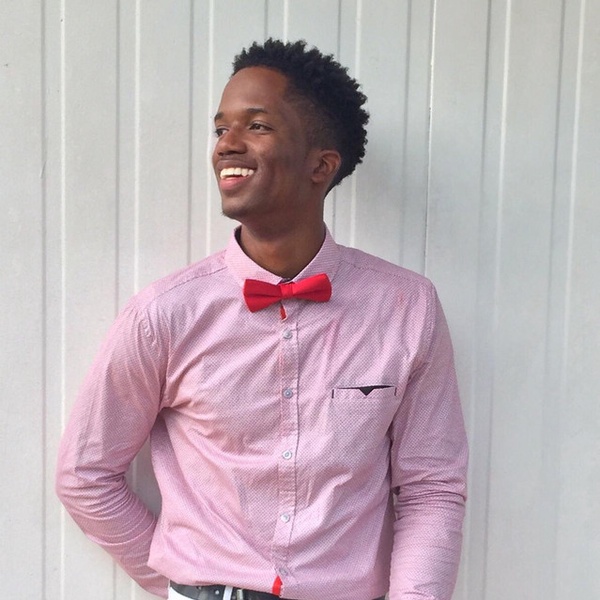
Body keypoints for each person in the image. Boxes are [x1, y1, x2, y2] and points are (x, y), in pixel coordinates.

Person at [56, 39, 468, 600]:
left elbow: (431, 487)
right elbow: (85, 474)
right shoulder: (165, 314)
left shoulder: (406, 307)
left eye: (257, 126)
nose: (226, 144)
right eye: (220, 128)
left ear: (321, 165)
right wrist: (182, 585)